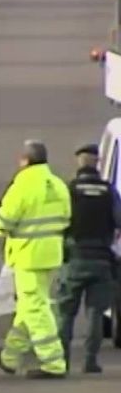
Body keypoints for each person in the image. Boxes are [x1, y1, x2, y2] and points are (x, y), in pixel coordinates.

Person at [0, 140, 73, 378]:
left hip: (28, 256)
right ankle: (10, 357)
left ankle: (53, 362)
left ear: (25, 160)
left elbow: (2, 224)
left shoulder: (22, 186)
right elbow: (67, 218)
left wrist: (2, 228)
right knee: (28, 308)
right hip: (51, 255)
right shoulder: (57, 185)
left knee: (36, 309)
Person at [56, 143, 119, 373]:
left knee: (66, 313)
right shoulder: (108, 191)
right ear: (98, 163)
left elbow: (60, 221)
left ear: (78, 163)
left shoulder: (69, 190)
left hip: (74, 259)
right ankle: (90, 360)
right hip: (101, 260)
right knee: (95, 313)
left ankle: (62, 360)